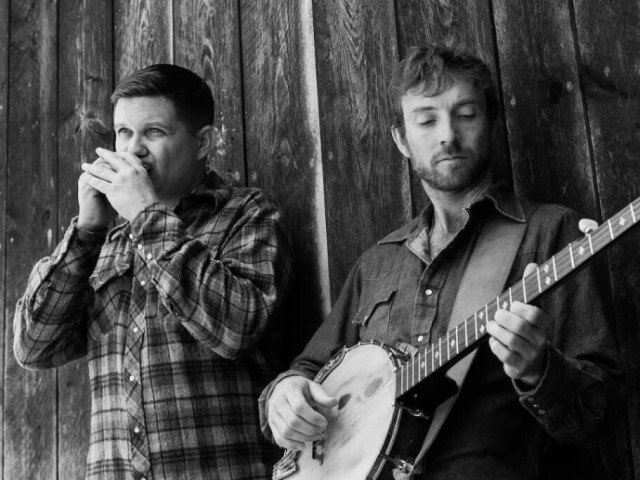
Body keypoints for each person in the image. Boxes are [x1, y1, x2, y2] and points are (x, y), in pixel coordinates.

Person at [260, 45, 622, 478]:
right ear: (402, 140)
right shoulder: (377, 263)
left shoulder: (551, 233)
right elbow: (307, 371)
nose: (447, 135)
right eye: (427, 120)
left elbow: (599, 416)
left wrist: (538, 369)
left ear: (492, 122)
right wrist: (283, 395)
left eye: (465, 114)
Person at [14, 64, 291, 479]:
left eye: (154, 132)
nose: (134, 149)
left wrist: (146, 214)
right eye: (124, 132)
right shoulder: (104, 241)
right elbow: (34, 348)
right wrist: (86, 231)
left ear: (202, 142)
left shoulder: (248, 214)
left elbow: (237, 326)